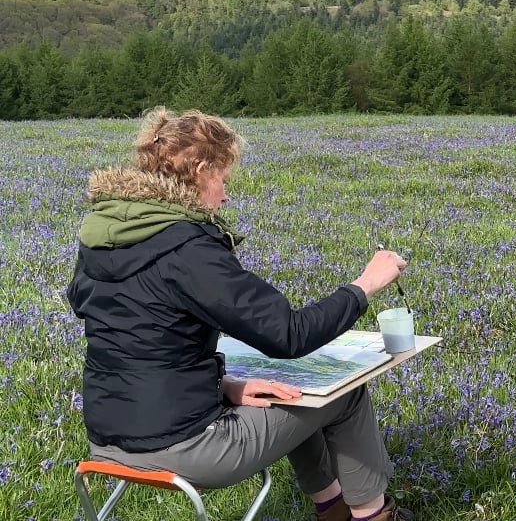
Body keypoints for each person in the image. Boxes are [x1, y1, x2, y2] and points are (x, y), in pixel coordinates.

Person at [67, 106, 414, 521]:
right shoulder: (187, 248)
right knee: (346, 392)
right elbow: (289, 335)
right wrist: (365, 285)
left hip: (106, 441)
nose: (226, 195)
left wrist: (223, 385)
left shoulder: (104, 235)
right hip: (185, 447)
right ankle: (372, 516)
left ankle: (333, 509)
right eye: (223, 180)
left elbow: (140, 338)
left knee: (279, 392)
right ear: (199, 170)